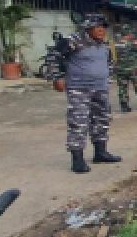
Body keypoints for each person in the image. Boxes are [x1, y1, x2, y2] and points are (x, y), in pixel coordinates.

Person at [45, 14, 123, 174]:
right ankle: (77, 160)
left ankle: (100, 153)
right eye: (98, 28)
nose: (102, 31)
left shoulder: (104, 44)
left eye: (104, 28)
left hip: (100, 88)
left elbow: (108, 63)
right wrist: (57, 77)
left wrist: (107, 78)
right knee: (79, 122)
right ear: (88, 28)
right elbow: (53, 57)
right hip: (79, 88)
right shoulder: (73, 41)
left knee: (102, 119)